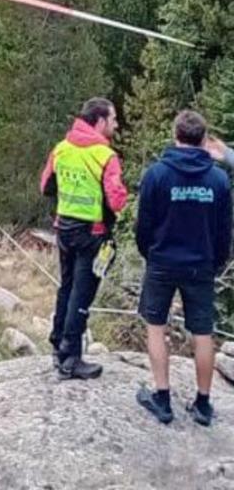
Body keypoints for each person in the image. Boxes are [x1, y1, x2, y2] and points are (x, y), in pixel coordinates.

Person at [135, 109, 232, 427]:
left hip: (162, 261)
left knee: (156, 327)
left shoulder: (156, 175)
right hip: (201, 263)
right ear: (204, 139)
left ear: (175, 135)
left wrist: (149, 254)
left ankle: (162, 398)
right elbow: (224, 230)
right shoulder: (218, 179)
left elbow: (143, 225)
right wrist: (216, 262)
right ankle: (203, 404)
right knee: (203, 332)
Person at [40, 97, 128, 379]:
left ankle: (58, 343)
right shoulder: (105, 156)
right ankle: (71, 357)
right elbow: (116, 201)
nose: (116, 124)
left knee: (66, 287)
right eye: (113, 119)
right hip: (93, 232)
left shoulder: (62, 148)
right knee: (82, 293)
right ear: (100, 121)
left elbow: (45, 186)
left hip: (64, 228)